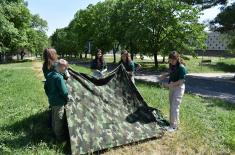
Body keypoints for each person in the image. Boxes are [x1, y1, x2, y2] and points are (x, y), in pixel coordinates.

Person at [159, 51, 187, 132]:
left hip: (178, 88)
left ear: (177, 58)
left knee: (175, 107)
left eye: (172, 60)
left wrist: (168, 85)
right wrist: (165, 75)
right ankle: (174, 123)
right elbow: (171, 72)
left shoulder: (181, 67)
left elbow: (181, 82)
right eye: (170, 60)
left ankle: (173, 126)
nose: (171, 62)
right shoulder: (172, 65)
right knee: (172, 106)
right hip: (172, 86)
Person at [44, 59, 69, 141]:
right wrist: (67, 100)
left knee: (54, 119)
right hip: (59, 102)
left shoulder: (49, 75)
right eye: (65, 67)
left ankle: (54, 134)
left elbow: (46, 88)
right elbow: (64, 92)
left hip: (52, 100)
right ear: (61, 66)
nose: (65, 69)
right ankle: (59, 139)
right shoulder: (59, 77)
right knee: (59, 120)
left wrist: (50, 96)